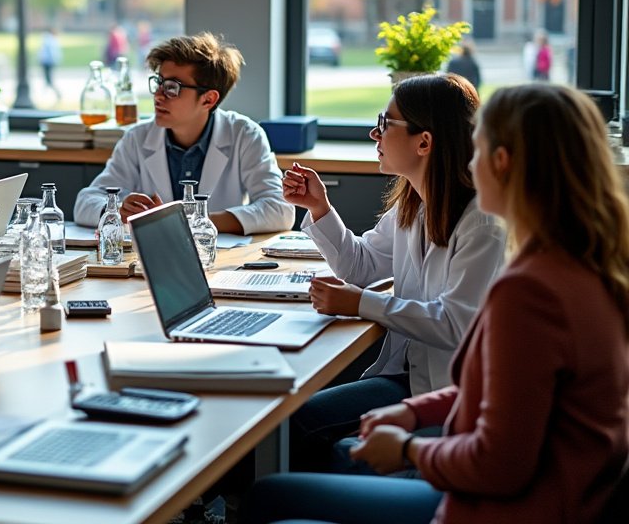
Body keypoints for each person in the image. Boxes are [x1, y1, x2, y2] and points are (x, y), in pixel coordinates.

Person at [245, 83, 629, 524]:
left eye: (477, 146)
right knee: (288, 470)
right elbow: (502, 397)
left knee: (274, 497)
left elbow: (499, 464)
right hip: (521, 483)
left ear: (500, 162)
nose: (469, 157)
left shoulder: (527, 287)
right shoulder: (582, 265)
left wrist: (409, 448)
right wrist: (413, 411)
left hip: (501, 508)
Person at [281, 74, 506, 470]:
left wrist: (362, 303)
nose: (374, 133)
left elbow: (456, 323)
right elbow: (361, 266)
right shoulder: (413, 205)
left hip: (449, 394)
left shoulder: (482, 224)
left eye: (386, 124)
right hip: (408, 378)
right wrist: (320, 208)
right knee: (297, 420)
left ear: (425, 142)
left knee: (310, 432)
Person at [74, 33, 294, 235]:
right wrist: (117, 209)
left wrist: (195, 222)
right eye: (159, 83)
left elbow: (280, 209)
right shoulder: (137, 138)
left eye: (171, 87)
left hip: (220, 262)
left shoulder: (244, 135)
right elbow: (85, 202)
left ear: (208, 99)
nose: (158, 96)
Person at [39, 26, 63, 102]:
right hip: (48, 62)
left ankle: (54, 93)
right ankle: (48, 92)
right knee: (48, 80)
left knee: (49, 80)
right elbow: (52, 53)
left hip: (47, 62)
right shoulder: (50, 40)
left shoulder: (47, 39)